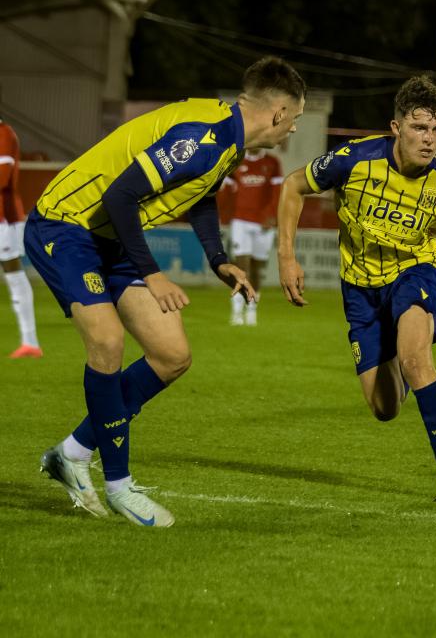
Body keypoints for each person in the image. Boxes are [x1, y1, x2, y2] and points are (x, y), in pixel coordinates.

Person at [26, 56, 305, 527]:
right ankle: (119, 486)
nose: (293, 131)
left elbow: (200, 193)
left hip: (109, 237)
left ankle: (70, 454)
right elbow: (119, 195)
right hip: (66, 225)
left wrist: (218, 260)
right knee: (108, 342)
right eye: (295, 120)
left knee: (171, 353)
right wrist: (153, 273)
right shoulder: (203, 136)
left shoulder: (226, 139)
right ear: (278, 112)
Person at [277, 75, 436, 503]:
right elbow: (293, 186)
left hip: (413, 275)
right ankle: (401, 357)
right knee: (385, 409)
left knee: (418, 361)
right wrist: (287, 255)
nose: (430, 139)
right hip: (359, 289)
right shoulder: (355, 160)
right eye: (419, 128)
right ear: (396, 127)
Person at [223, 148, 284, 326]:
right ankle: (236, 311)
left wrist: (272, 216)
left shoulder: (272, 162)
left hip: (263, 224)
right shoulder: (236, 161)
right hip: (240, 221)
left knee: (257, 269)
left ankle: (251, 309)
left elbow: (278, 191)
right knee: (241, 266)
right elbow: (224, 188)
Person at [0, 117, 42, 358]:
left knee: (13, 273)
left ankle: (30, 342)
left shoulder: (4, 133)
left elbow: (3, 177)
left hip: (4, 218)